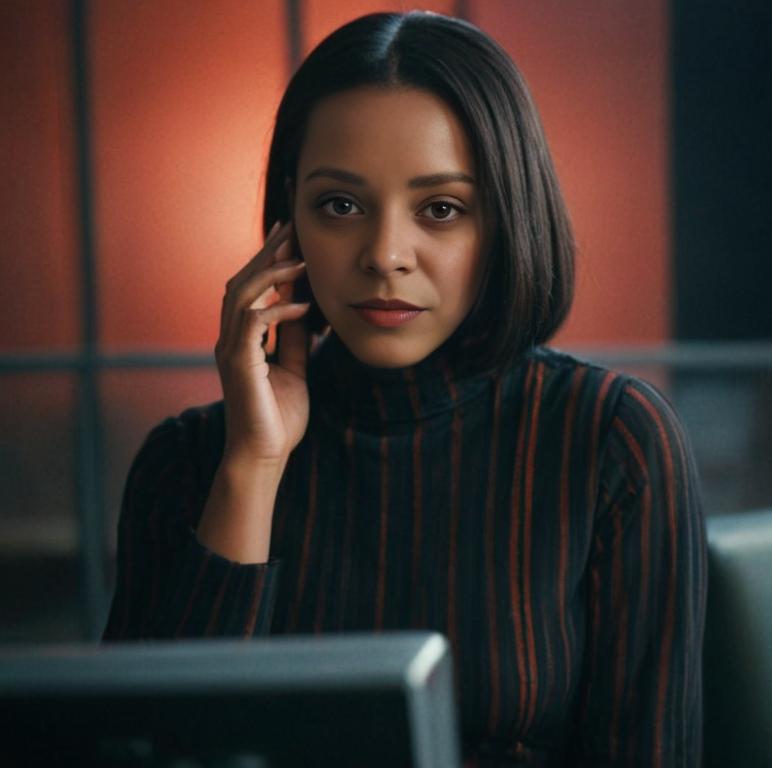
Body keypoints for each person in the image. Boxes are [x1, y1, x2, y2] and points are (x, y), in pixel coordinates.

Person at [103, 11, 706, 767]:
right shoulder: (186, 463)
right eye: (341, 206)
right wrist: (252, 468)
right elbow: (159, 749)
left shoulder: (609, 439)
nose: (385, 255)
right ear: (288, 222)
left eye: (442, 209)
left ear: (507, 221)